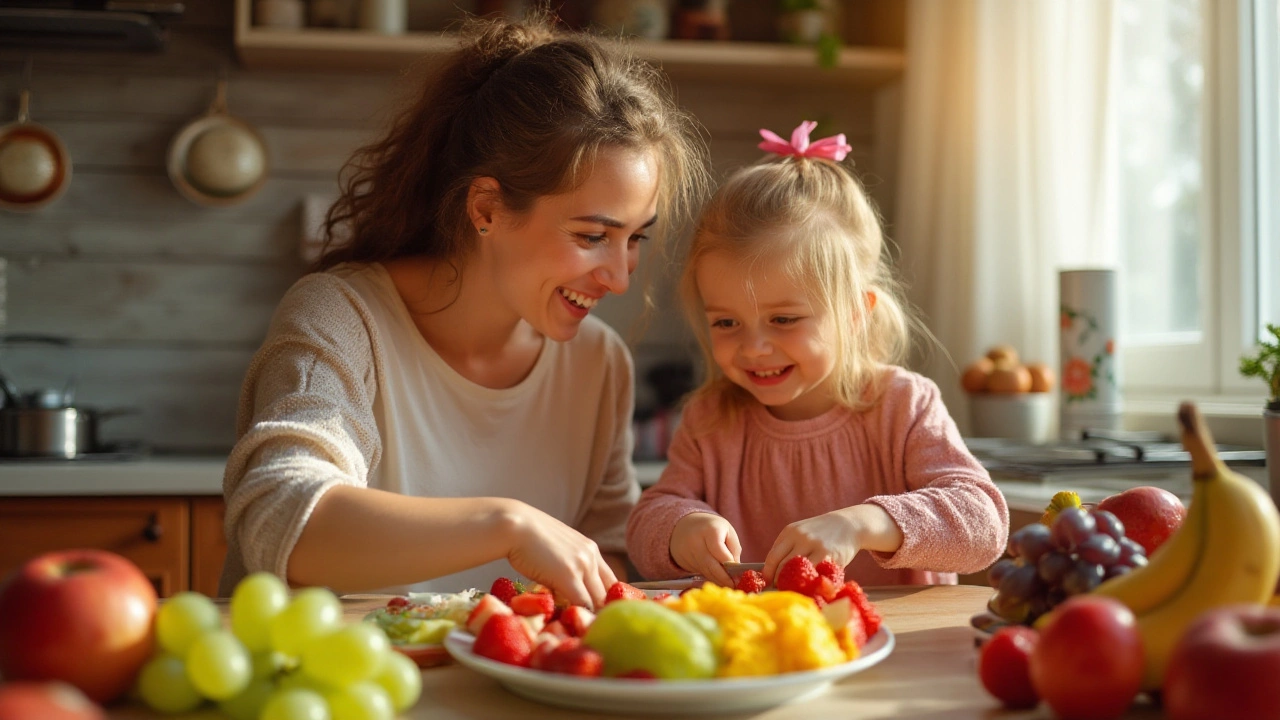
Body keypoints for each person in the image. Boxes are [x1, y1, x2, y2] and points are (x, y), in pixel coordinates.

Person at [219, 13, 709, 608]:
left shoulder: (598, 363)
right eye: (590, 236)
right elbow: (281, 519)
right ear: (487, 209)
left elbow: (605, 557)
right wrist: (507, 526)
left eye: (636, 239)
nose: (619, 276)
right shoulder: (344, 317)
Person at [626, 121, 1008, 589]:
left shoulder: (904, 405)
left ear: (854, 314)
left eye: (784, 320)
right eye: (726, 323)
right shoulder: (711, 419)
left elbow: (983, 523)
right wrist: (681, 525)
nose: (753, 347)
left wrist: (863, 523)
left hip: (896, 647)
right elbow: (645, 526)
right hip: (768, 647)